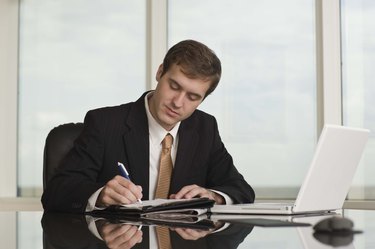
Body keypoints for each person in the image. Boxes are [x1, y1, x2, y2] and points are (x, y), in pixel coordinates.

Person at [41, 39, 255, 213]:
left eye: (192, 97)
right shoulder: (105, 123)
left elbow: (240, 189)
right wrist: (101, 194)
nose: (178, 102)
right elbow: (57, 192)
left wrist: (214, 196)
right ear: (160, 72)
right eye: (174, 86)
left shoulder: (205, 127)